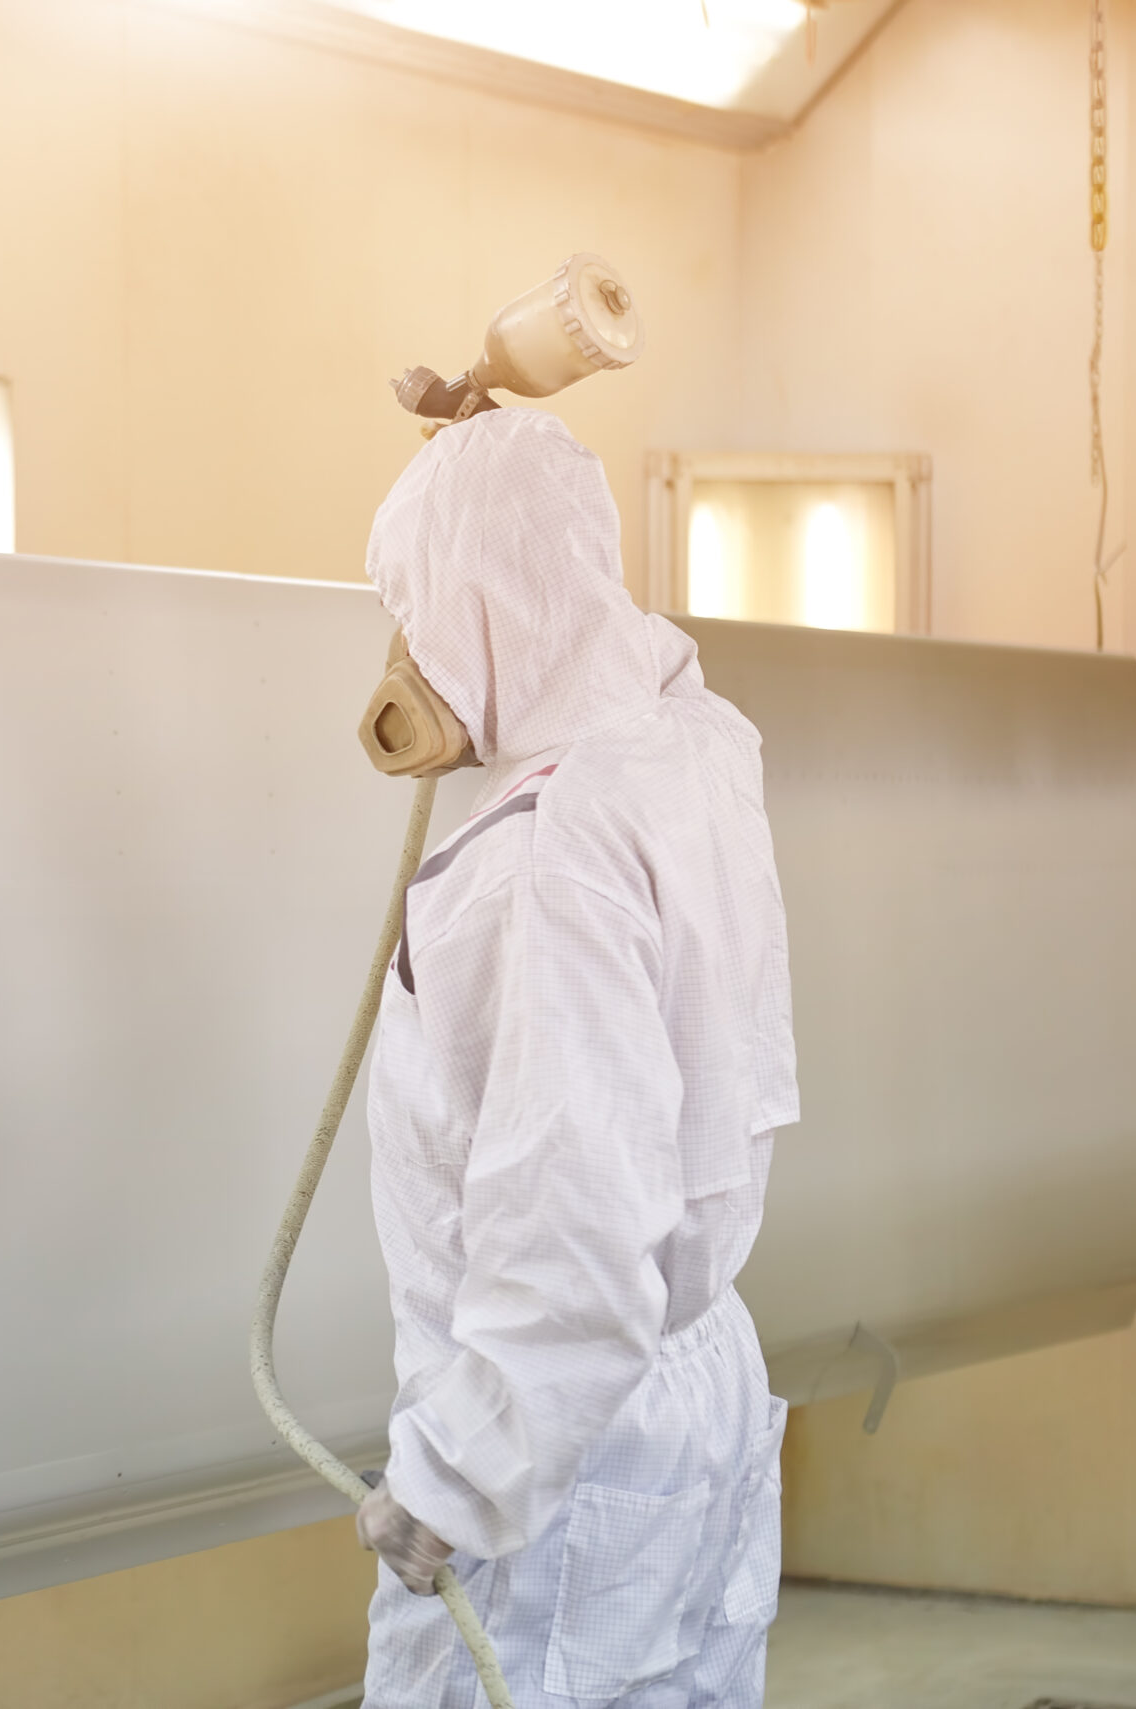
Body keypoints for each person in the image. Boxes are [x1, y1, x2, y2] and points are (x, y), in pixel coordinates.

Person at [353, 407, 798, 1709]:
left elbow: (577, 1228)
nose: (404, 652)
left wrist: (449, 1485)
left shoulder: (546, 855)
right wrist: (488, 470)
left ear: (471, 603)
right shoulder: (693, 749)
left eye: (415, 605)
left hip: (557, 1445)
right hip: (695, 1381)